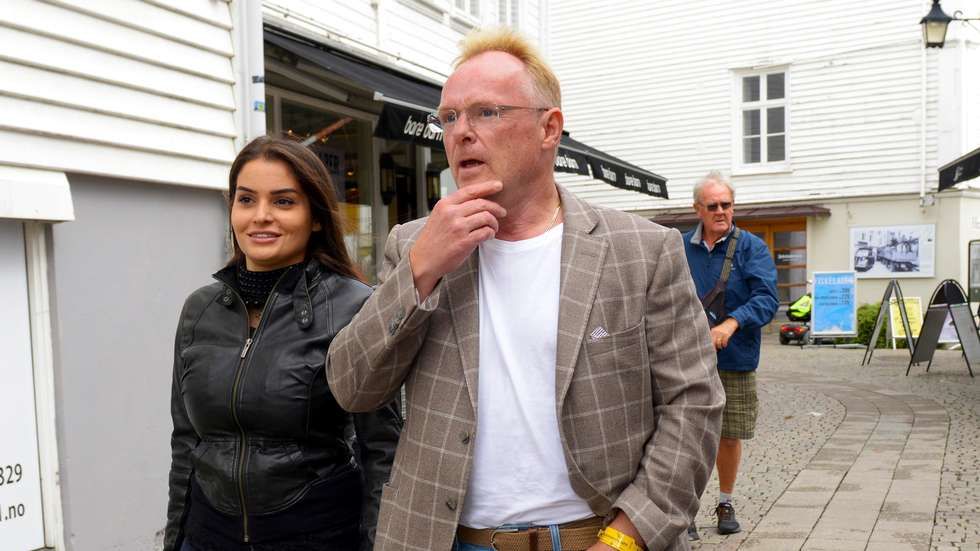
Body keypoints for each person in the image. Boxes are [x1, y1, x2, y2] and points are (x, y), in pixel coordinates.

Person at [328, 28, 724, 551]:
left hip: (598, 537)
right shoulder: (413, 245)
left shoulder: (642, 250)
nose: (461, 132)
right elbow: (353, 387)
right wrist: (422, 268)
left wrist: (625, 539)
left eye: (486, 112)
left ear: (549, 128)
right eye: (449, 117)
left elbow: (693, 403)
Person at [164, 136, 400, 551]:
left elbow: (381, 450)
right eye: (246, 200)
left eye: (283, 201)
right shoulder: (200, 310)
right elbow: (185, 443)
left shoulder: (355, 307)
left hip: (316, 535)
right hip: (207, 536)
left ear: (315, 217)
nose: (261, 216)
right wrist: (174, 541)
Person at [681, 172, 778, 539]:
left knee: (729, 435)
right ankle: (685, 509)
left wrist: (732, 323)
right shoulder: (679, 247)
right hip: (686, 358)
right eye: (713, 206)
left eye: (727, 204)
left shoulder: (752, 247)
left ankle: (725, 502)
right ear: (698, 209)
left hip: (735, 357)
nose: (721, 211)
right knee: (685, 435)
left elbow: (767, 299)